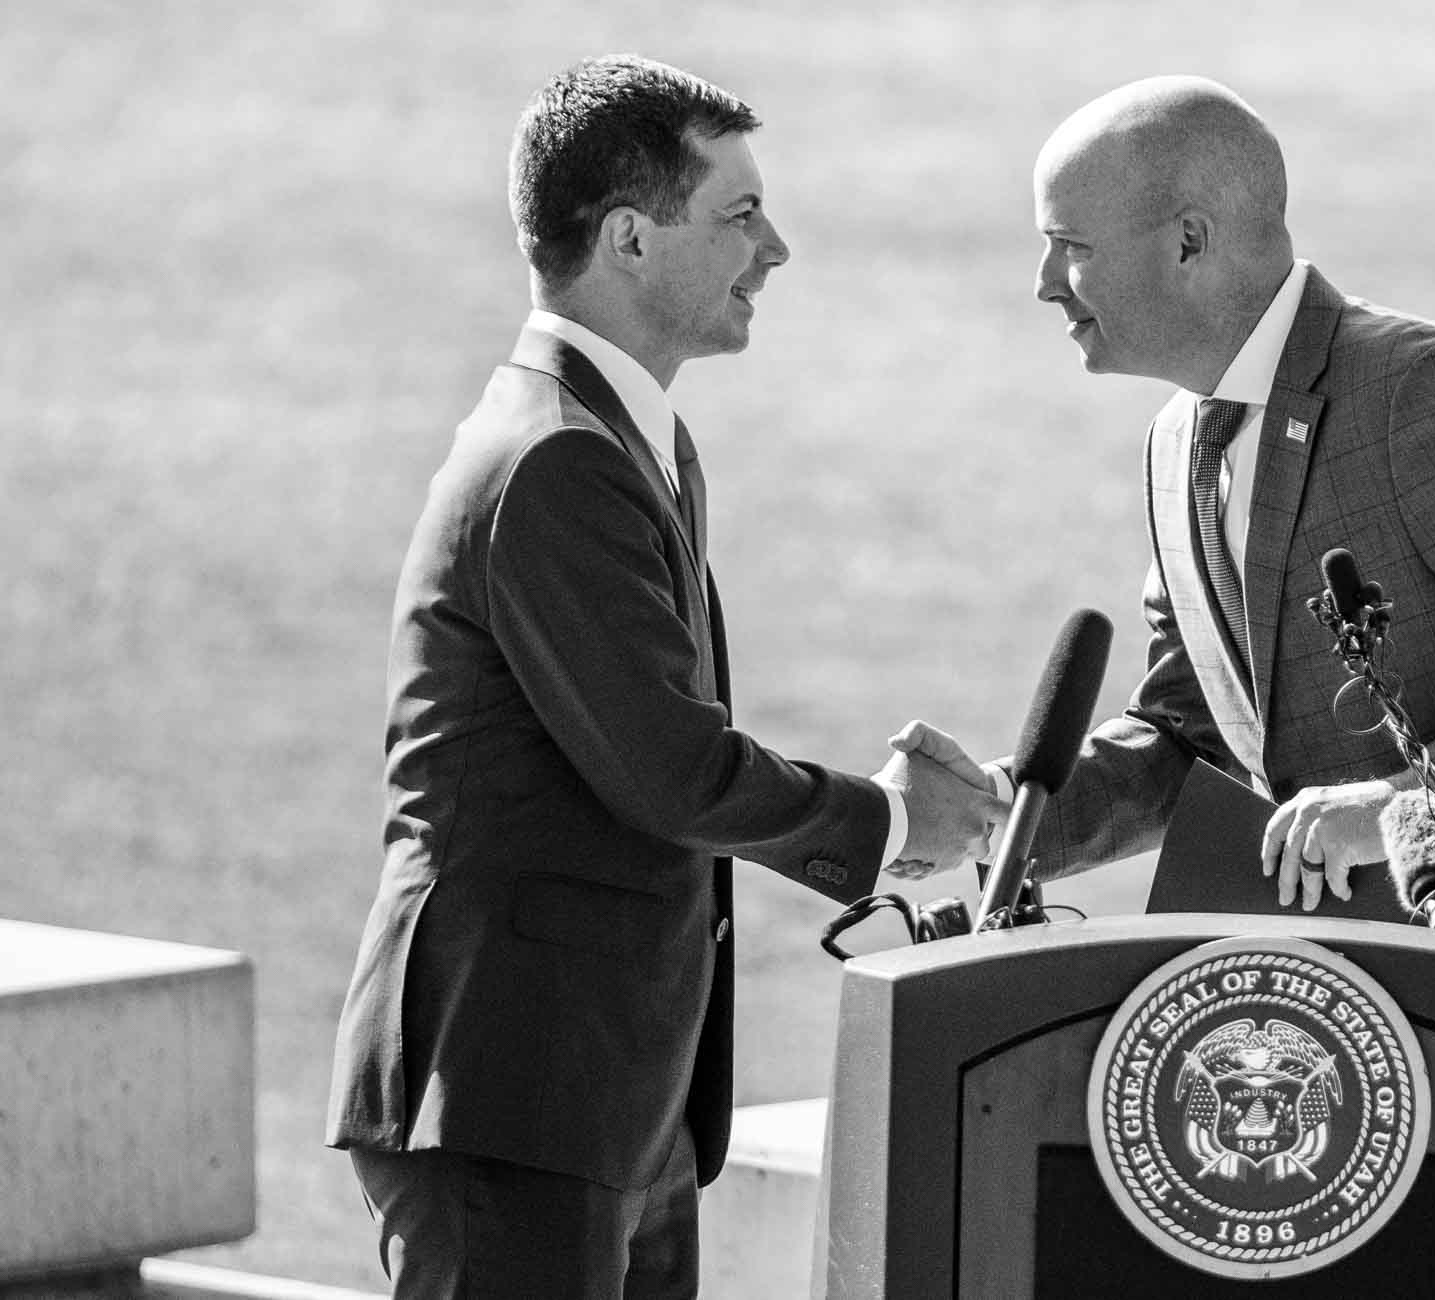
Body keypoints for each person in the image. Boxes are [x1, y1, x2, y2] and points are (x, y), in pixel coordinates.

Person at [325, 55, 1003, 1298]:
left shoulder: (634, 438)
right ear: (630, 239)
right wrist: (894, 820)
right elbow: (670, 767)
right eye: (739, 215)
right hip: (515, 1095)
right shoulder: (557, 459)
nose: (778, 248)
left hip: (605, 1102)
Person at [898, 75, 1435, 1080]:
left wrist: (1408, 810)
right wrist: (1003, 810)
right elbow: (1190, 733)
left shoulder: (1415, 394)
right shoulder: (1175, 438)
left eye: (1069, 245)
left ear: (1188, 243)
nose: (1042, 281)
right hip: (1340, 1036)